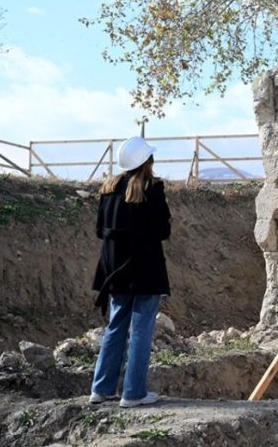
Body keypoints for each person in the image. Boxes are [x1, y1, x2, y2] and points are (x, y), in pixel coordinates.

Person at [89, 136, 171, 408]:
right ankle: (133, 393)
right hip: (144, 268)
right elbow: (163, 231)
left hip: (115, 269)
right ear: (147, 161)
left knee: (115, 326)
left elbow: (100, 230)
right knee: (141, 329)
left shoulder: (109, 188)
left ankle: (101, 389)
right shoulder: (152, 189)